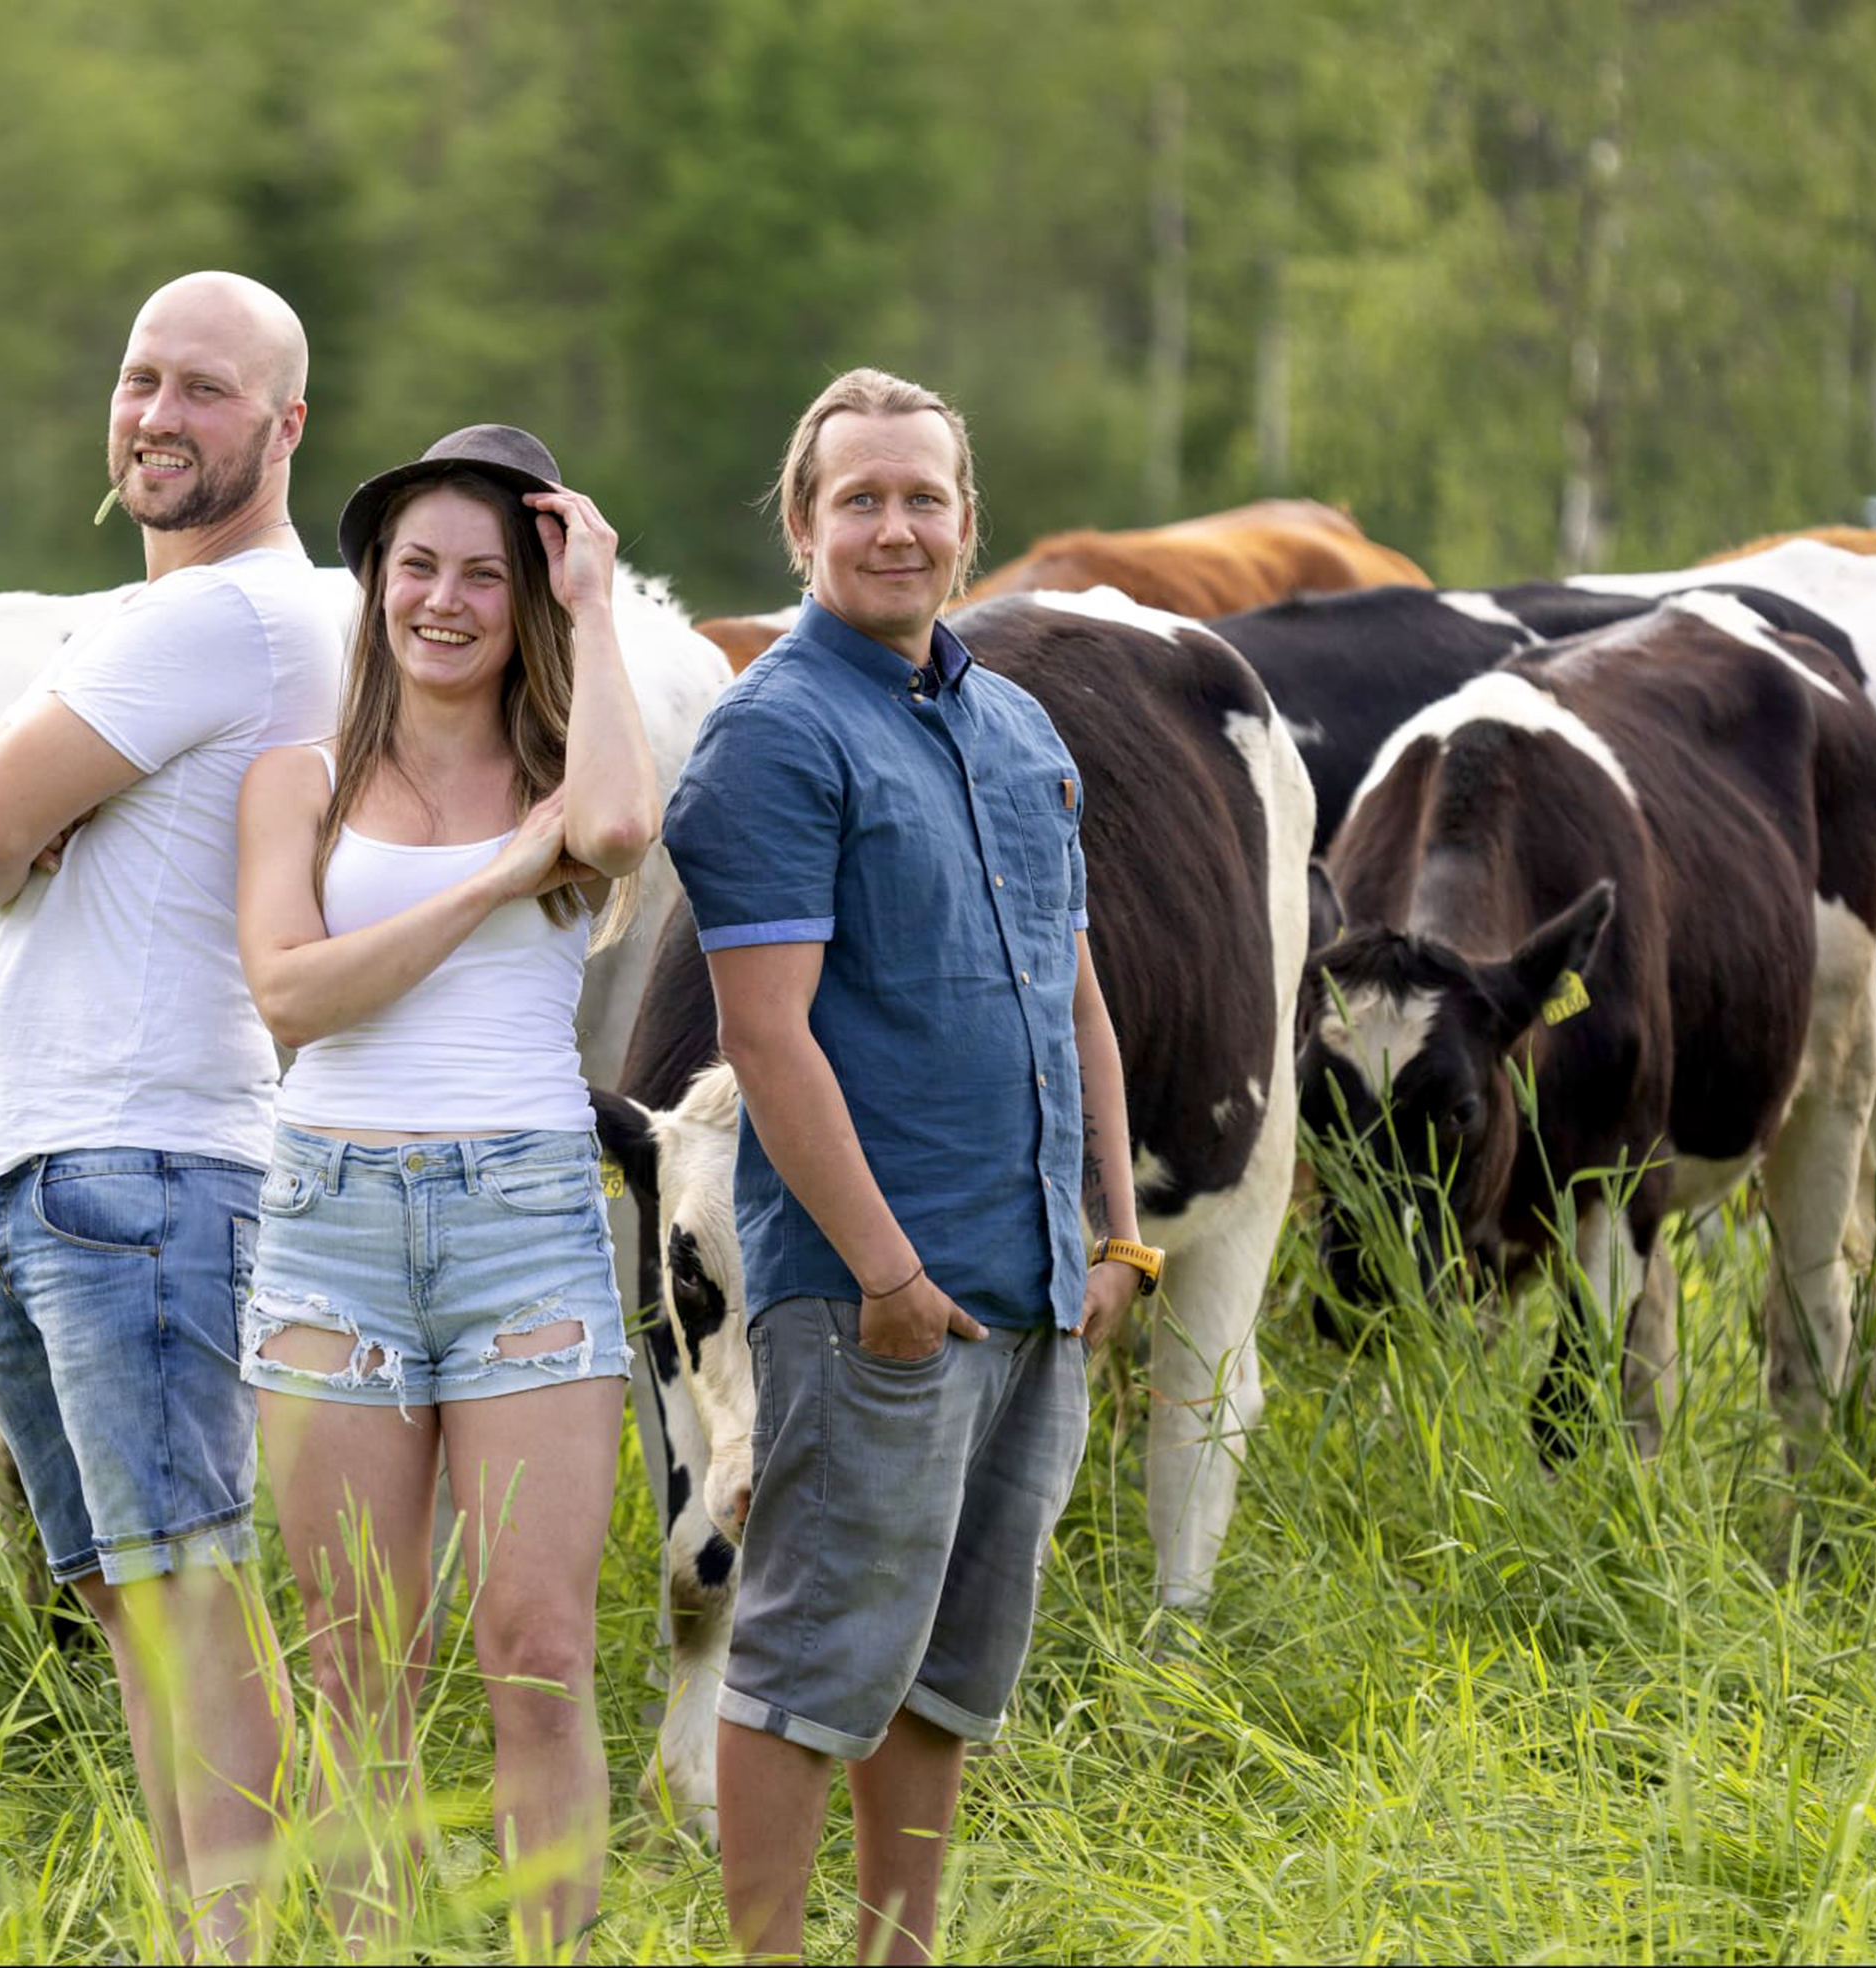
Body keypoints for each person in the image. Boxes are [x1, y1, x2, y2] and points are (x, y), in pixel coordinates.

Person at [659, 368, 1158, 1967]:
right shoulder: (774, 738)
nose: (895, 526)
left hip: (1030, 1279)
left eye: (923, 497)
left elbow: (1071, 988)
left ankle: (902, 1954)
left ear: (966, 523)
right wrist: (883, 1275)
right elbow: (771, 1039)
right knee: (811, 1665)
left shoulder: (1016, 726)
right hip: (876, 1289)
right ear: (801, 526)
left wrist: (1122, 1238)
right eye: (859, 498)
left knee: (947, 1670)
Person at [0, 269, 339, 1962]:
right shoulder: (135, 629)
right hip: (56, 1163)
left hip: (141, 1164)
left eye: (206, 389)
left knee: (183, 1585)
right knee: (129, 1590)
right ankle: (198, 1926)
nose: (158, 414)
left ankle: (237, 1941)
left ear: (285, 426)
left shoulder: (213, 621)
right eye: (142, 377)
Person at [233, 424, 659, 1956]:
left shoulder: (564, 768)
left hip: (526, 1221)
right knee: (359, 1662)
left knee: (536, 1649)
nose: (447, 600)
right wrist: (490, 880)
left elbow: (613, 834)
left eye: (486, 573)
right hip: (331, 1226)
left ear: (525, 596)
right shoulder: (298, 781)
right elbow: (289, 997)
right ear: (375, 583)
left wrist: (596, 599)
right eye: (417, 565)